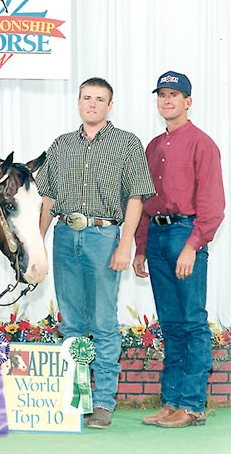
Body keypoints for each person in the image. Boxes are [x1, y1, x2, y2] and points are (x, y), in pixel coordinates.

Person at [37, 77, 155, 429]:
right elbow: (47, 198)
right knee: (71, 323)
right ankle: (76, 400)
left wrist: (125, 244)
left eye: (99, 99)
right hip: (64, 235)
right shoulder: (61, 145)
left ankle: (103, 402)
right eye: (86, 97)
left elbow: (135, 197)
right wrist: (38, 242)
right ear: (78, 102)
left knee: (103, 321)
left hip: (104, 236)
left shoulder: (127, 143)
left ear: (109, 105)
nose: (92, 104)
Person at [133, 71, 225, 428]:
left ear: (188, 101)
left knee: (192, 322)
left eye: (174, 95)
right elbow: (144, 200)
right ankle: (171, 402)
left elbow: (212, 205)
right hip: (157, 236)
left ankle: (192, 404)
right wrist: (141, 247)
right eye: (162, 95)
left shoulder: (202, 144)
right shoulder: (153, 147)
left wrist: (193, 246)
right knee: (170, 324)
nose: (167, 100)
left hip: (185, 233)